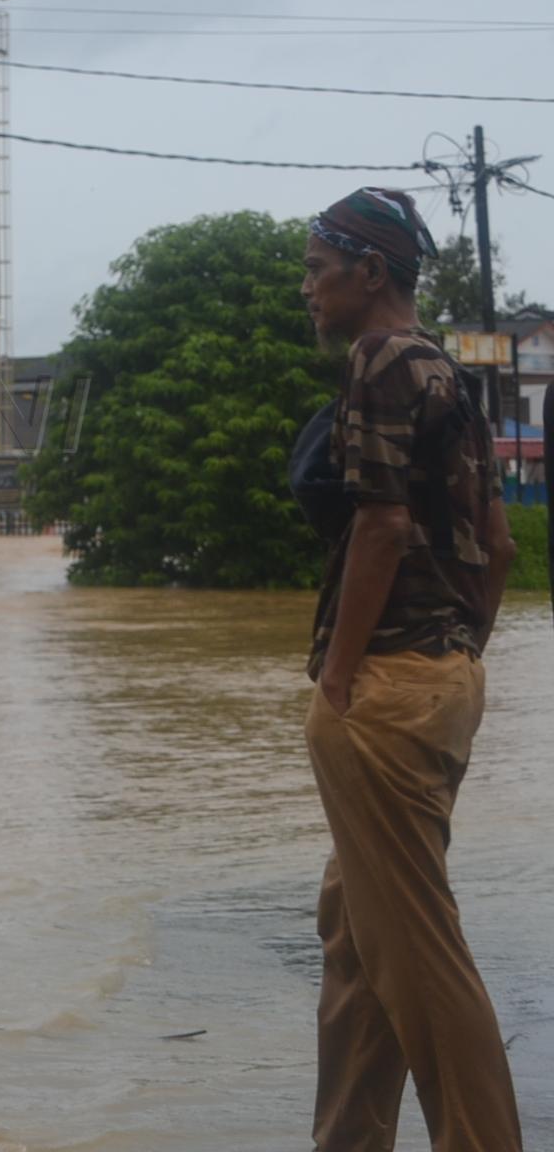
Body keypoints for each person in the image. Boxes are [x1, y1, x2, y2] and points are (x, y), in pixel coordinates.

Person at [297, 186, 522, 1151]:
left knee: (420, 957)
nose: (308, 292)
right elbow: (501, 546)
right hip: (439, 680)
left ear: (370, 273)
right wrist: (462, 658)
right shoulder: (447, 373)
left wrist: (340, 680)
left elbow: (382, 527)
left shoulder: (380, 360)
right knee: (356, 939)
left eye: (317, 272)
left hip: (383, 691)